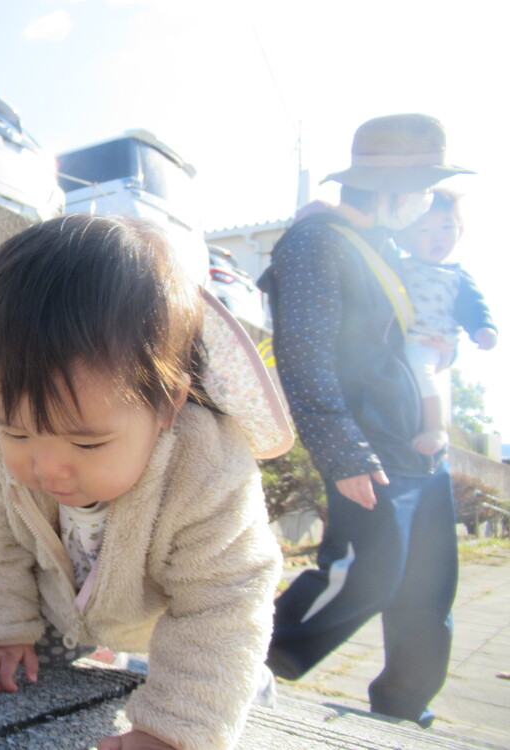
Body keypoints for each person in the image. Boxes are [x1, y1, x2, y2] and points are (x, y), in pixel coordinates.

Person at [0, 215, 292, 750]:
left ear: (167, 406)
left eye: (86, 443)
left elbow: (224, 601)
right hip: (62, 621)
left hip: (170, 632)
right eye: (16, 430)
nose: (48, 467)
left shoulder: (207, 470)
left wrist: (175, 729)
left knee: (223, 689)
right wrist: (2, 633)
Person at [259, 113, 475, 728]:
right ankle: (241, 660)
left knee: (427, 589)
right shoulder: (314, 244)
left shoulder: (386, 249)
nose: (428, 202)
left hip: (420, 450)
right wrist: (344, 451)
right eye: (422, 189)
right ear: (389, 190)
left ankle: (406, 707)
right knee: (360, 574)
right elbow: (304, 355)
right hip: (370, 446)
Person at [395, 188, 497, 455]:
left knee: (419, 367)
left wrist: (483, 329)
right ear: (406, 237)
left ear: (459, 230)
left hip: (433, 342)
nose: (437, 236)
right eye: (425, 230)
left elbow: (473, 307)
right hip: (404, 337)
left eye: (446, 227)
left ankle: (436, 427)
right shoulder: (400, 267)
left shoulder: (456, 275)